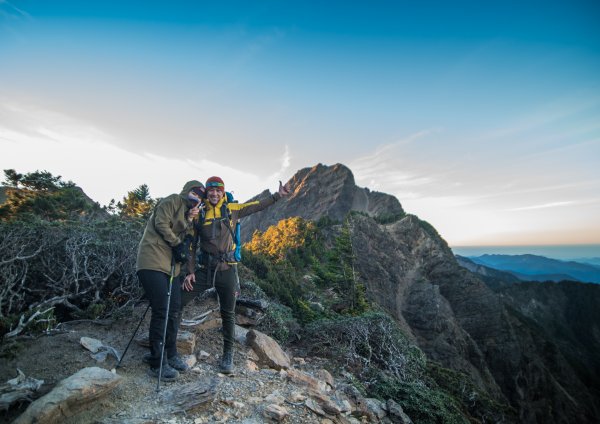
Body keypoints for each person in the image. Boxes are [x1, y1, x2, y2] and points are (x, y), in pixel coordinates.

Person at [181, 176, 290, 374]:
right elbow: (191, 245)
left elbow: (256, 206)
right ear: (207, 192)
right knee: (179, 300)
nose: (214, 194)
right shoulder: (200, 213)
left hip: (227, 269)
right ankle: (169, 347)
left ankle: (227, 355)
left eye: (218, 190)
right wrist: (189, 272)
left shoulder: (232, 209)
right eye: (211, 190)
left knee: (228, 313)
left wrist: (277, 196)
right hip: (205, 270)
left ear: (223, 192)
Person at [136, 180, 205, 381]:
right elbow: (161, 223)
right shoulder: (173, 200)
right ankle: (157, 362)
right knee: (162, 310)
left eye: (201, 196)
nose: (198, 197)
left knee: (174, 308)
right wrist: (177, 243)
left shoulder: (188, 214)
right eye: (195, 192)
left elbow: (188, 239)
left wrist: (190, 221)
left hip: (171, 268)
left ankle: (171, 353)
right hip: (151, 261)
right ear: (187, 190)